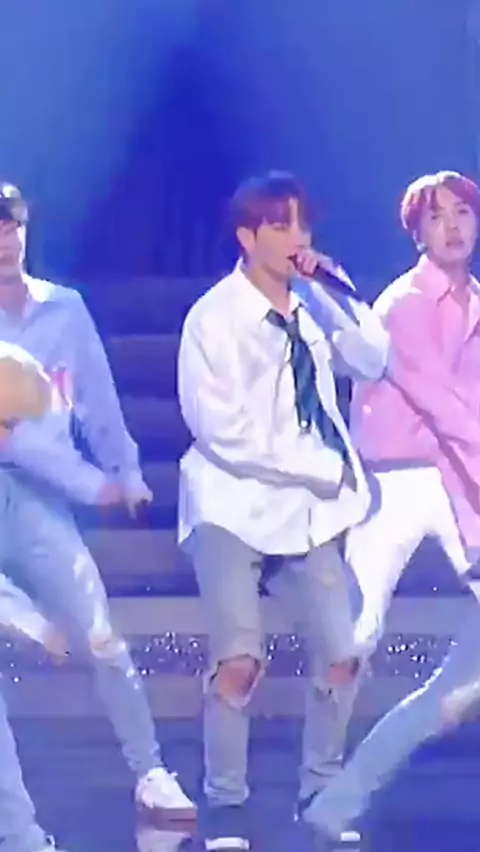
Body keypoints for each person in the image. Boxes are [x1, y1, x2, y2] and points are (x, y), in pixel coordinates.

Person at [177, 170, 390, 851]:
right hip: (230, 503)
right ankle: (225, 804)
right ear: (248, 237)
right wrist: (314, 467)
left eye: (302, 222)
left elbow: (373, 360)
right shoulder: (212, 318)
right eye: (281, 224)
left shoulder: (313, 304)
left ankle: (320, 791)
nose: (297, 236)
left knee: (343, 653)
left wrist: (334, 289)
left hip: (307, 510)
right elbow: (220, 430)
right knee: (240, 659)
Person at [0, 182, 196, 852]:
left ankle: (151, 772)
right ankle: (21, 834)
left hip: (39, 503)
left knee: (100, 633)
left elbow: (97, 401)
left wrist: (127, 472)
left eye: (11, 226)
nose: (4, 241)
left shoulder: (64, 310)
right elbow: (12, 440)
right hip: (30, 480)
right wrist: (96, 486)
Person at [303, 170, 480, 845]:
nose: (454, 227)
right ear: (416, 232)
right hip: (398, 480)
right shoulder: (401, 305)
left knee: (453, 693)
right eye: (438, 216)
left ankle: (334, 802)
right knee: (354, 635)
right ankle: (318, 782)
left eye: (463, 212)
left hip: (462, 478)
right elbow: (440, 403)